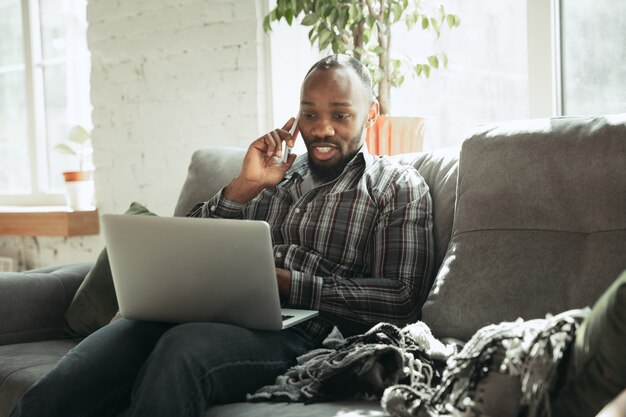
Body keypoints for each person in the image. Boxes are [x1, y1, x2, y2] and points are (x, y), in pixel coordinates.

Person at [10, 54, 433, 417]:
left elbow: (400, 298)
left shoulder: (396, 186)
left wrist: (289, 284)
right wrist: (243, 187)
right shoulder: (275, 176)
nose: (321, 129)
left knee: (183, 349)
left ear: (371, 114)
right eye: (310, 114)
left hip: (307, 334)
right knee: (90, 363)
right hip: (217, 313)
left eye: (340, 115)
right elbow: (186, 245)